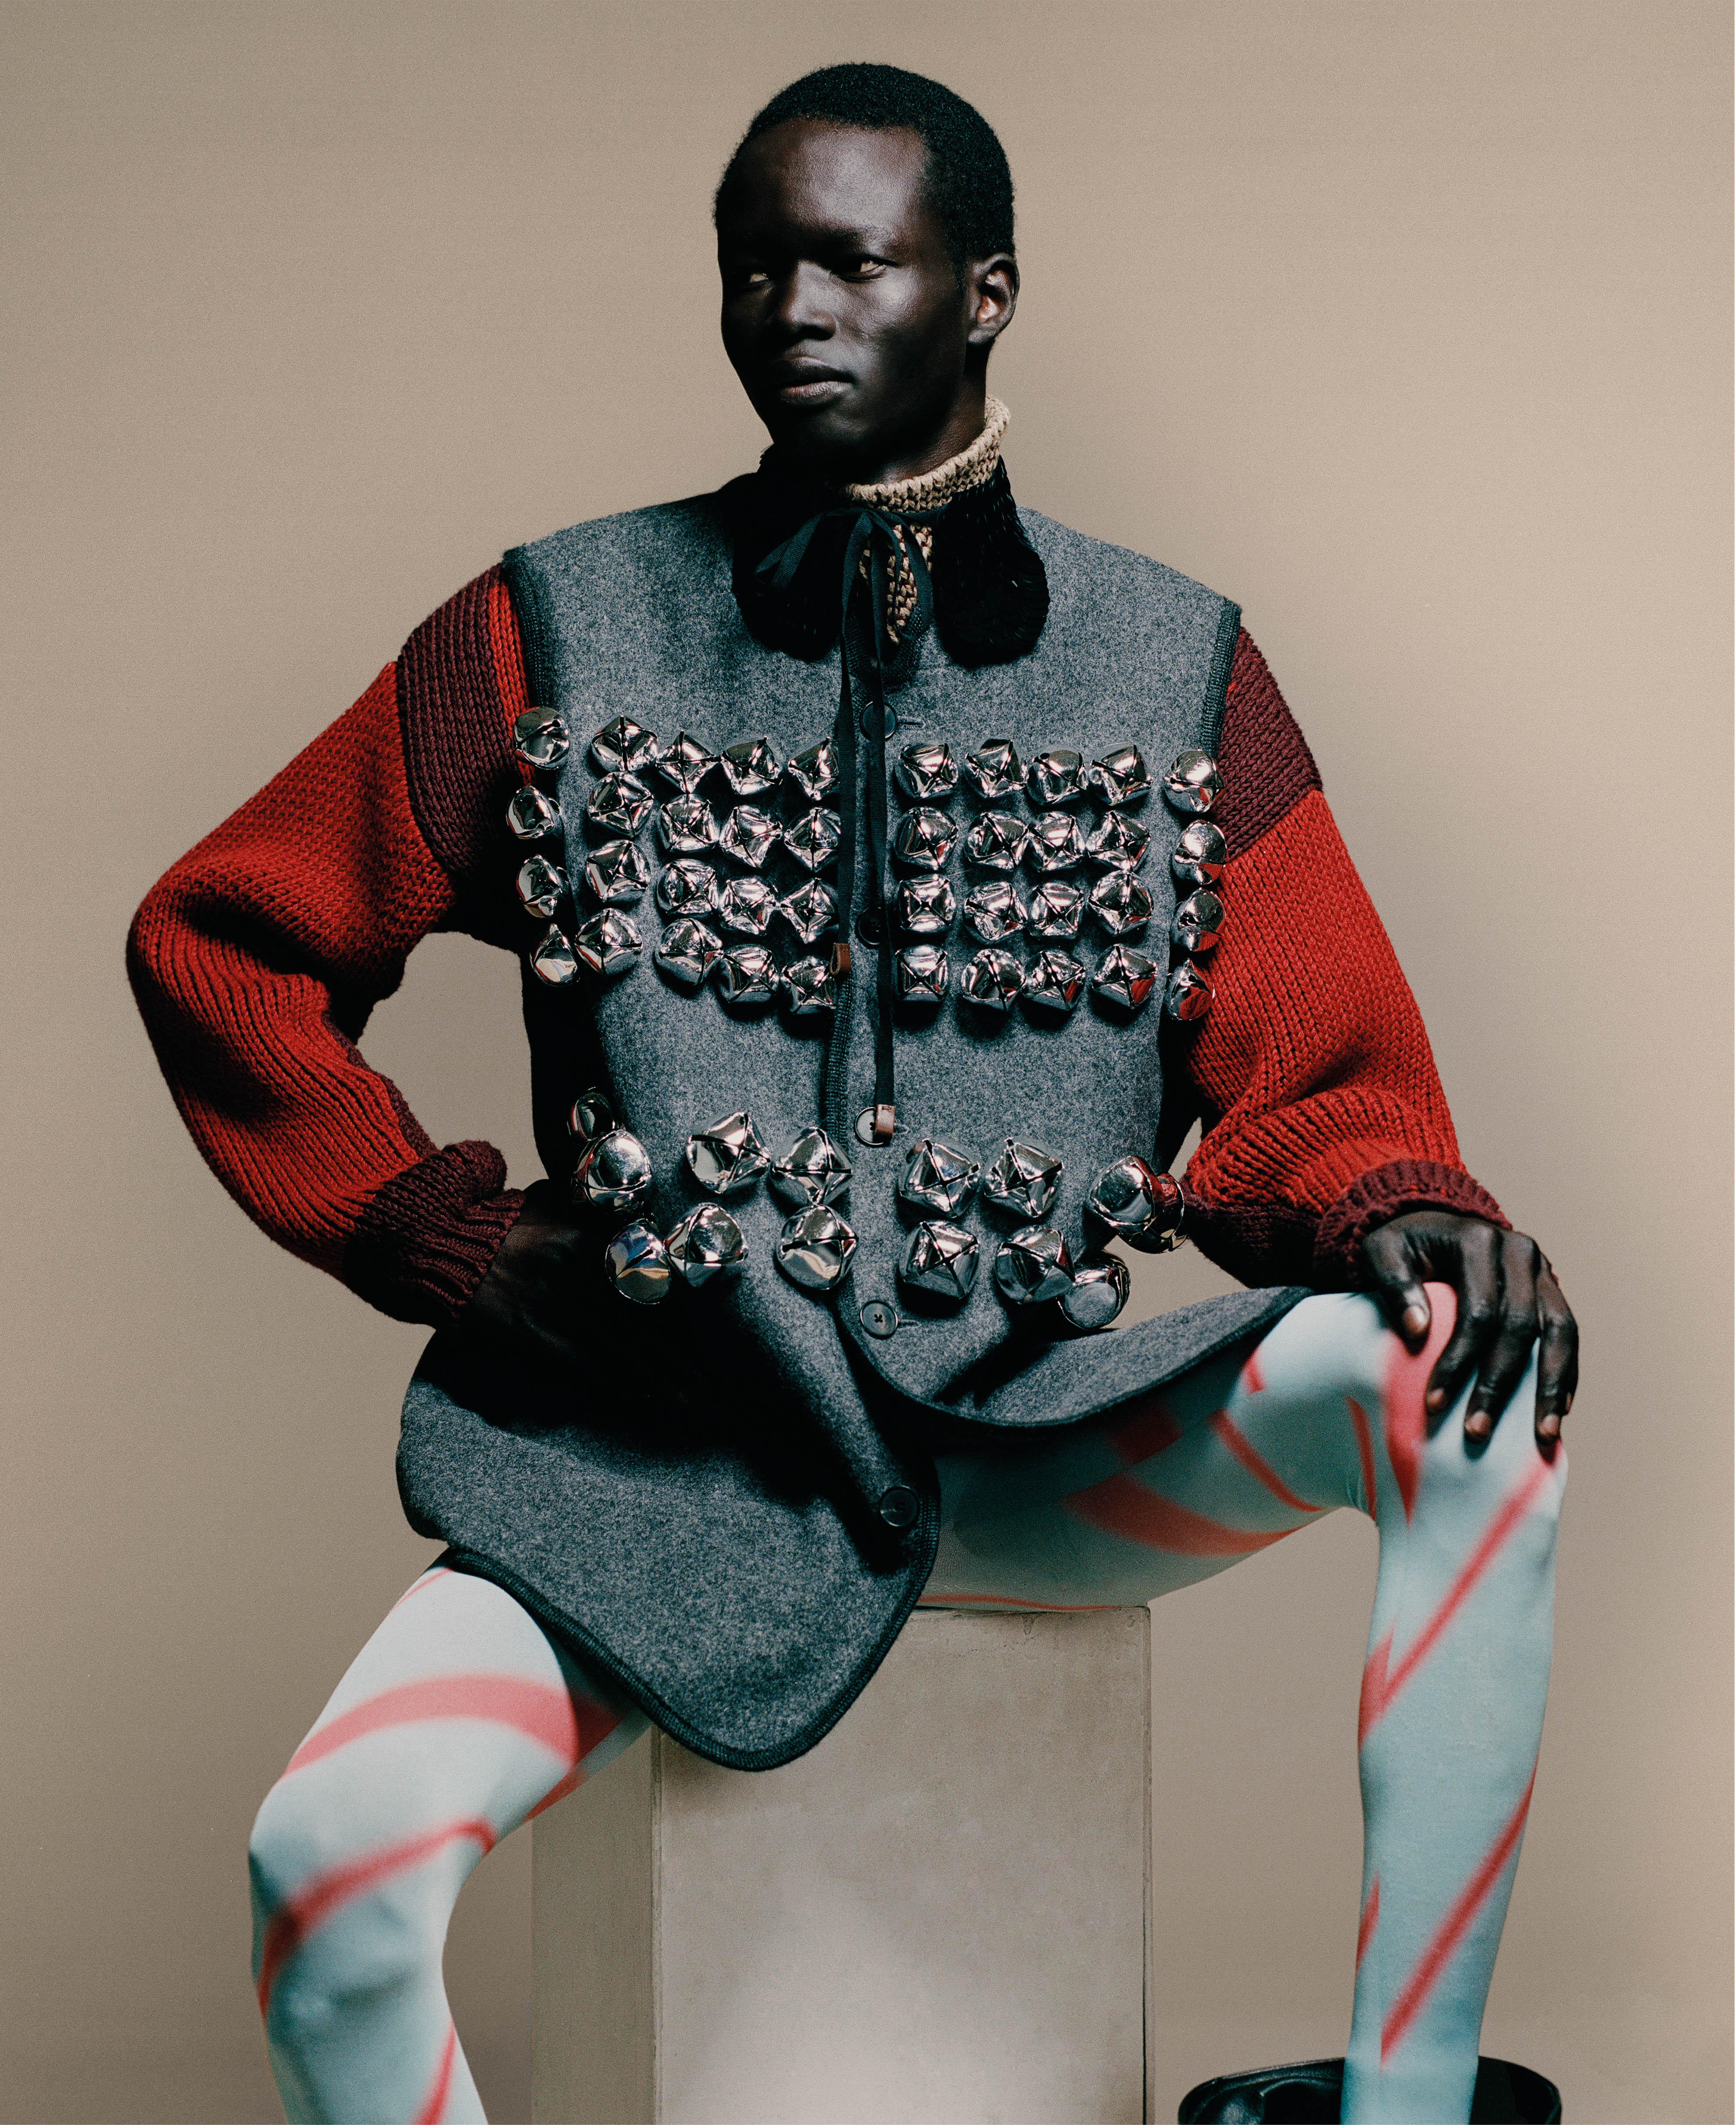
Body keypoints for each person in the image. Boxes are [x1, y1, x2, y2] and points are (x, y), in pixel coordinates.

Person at [129, 63, 1577, 2125]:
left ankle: (1406, 2109)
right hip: (665, 1475)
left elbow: (1317, 1065)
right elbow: (225, 938)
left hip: (1039, 1453)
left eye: (852, 263)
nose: (792, 308)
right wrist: (444, 1235)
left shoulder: (1176, 659)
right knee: (324, 1875)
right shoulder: (554, 622)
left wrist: (1397, 1198)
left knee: (1460, 1385)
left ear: (984, 291)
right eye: (754, 265)